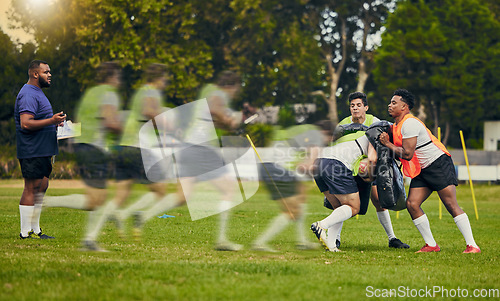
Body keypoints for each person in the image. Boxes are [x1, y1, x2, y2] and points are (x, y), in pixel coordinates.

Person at [379, 88, 480, 253]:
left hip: (438, 164)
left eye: (394, 102)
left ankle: (473, 246)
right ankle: (431, 245)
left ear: (404, 107)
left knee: (450, 204)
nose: (389, 105)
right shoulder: (397, 126)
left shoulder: (410, 123)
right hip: (422, 169)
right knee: (412, 204)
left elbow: (407, 153)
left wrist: (387, 144)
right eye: (390, 102)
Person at [43, 62, 122, 251]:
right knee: (96, 199)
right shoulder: (108, 94)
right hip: (94, 148)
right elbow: (110, 121)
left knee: (99, 197)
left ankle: (90, 240)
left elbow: (80, 121)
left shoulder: (90, 94)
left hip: (84, 146)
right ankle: (47, 202)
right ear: (111, 77)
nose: (119, 81)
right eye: (118, 77)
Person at [328, 92, 409, 249]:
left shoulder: (375, 121)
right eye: (352, 106)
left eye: (359, 105)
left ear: (365, 107)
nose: (355, 109)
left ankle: (392, 238)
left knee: (378, 200)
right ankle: (335, 238)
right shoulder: (342, 125)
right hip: (347, 169)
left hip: (370, 167)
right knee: (341, 204)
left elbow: (383, 143)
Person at [250, 123, 326, 252]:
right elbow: (308, 164)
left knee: (301, 196)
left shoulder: (299, 134)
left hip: (271, 167)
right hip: (276, 169)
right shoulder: (317, 136)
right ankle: (260, 243)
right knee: (291, 211)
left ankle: (302, 241)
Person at [15, 60, 66, 239]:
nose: (49, 74)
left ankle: (36, 230)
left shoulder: (38, 93)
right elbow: (26, 123)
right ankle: (24, 233)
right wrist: (51, 121)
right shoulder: (28, 94)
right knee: (31, 187)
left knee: (42, 185)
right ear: (35, 74)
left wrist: (57, 124)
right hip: (32, 150)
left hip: (43, 149)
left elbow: (40, 120)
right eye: (46, 72)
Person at [310, 121, 377, 252]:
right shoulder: (374, 137)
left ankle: (332, 245)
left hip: (319, 163)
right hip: (335, 164)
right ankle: (321, 225)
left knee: (339, 208)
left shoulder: (353, 136)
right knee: (354, 207)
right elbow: (372, 159)